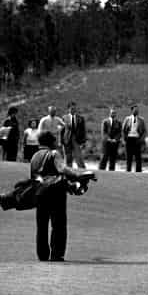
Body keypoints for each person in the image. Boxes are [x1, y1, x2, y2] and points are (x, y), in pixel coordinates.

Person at [29, 131, 95, 262]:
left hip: (39, 192)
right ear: (50, 142)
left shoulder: (34, 156)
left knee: (42, 225)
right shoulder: (54, 154)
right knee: (58, 224)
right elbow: (62, 169)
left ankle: (42, 255)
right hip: (55, 192)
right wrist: (78, 175)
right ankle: (56, 254)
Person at [64, 102, 90, 169]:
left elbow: (83, 130)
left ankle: (82, 169)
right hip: (67, 139)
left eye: (74, 108)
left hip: (77, 140)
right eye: (72, 108)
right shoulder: (64, 118)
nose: (73, 110)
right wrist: (61, 141)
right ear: (68, 109)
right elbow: (62, 130)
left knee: (79, 156)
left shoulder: (81, 118)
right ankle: (69, 169)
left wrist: (84, 141)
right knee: (68, 157)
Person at [123, 104, 148, 172]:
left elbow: (144, 131)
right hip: (129, 139)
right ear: (132, 110)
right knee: (129, 156)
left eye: (137, 110)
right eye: (135, 109)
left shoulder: (141, 120)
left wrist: (141, 139)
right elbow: (123, 129)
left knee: (138, 156)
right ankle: (128, 170)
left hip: (137, 139)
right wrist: (124, 139)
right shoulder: (127, 119)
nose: (137, 111)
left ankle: (138, 171)